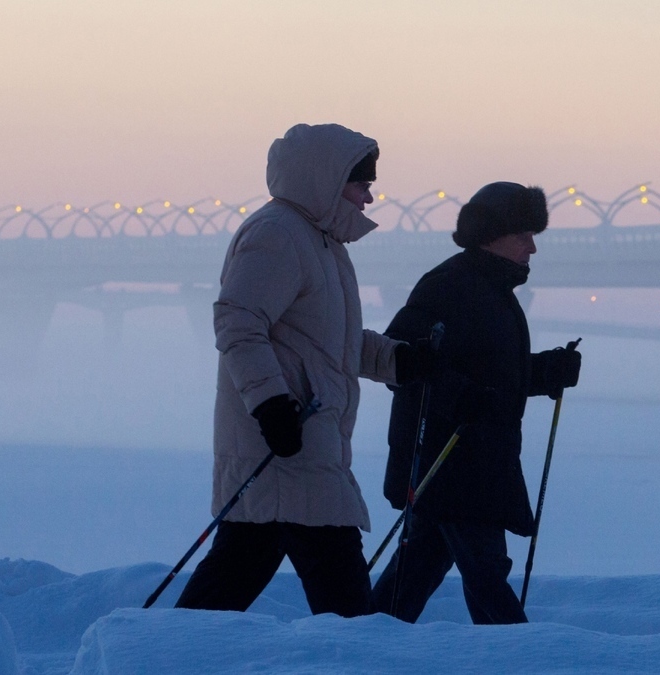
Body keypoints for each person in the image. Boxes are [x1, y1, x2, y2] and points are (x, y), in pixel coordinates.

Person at [175, 123, 431, 617]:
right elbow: (238, 322)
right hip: (288, 443)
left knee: (229, 583)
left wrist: (397, 360)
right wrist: (271, 404)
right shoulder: (277, 235)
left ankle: (156, 656)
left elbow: (324, 342)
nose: (369, 198)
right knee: (348, 610)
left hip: (301, 446)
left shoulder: (322, 244)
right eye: (361, 185)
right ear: (328, 182)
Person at [372, 181, 582, 624]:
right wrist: (457, 398)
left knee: (412, 578)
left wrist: (546, 371)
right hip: (447, 461)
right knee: (486, 574)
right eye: (525, 235)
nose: (532, 249)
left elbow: (489, 371)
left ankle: (362, 647)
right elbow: (400, 360)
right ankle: (515, 657)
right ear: (493, 234)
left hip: (475, 461)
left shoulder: (492, 290)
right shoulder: (447, 286)